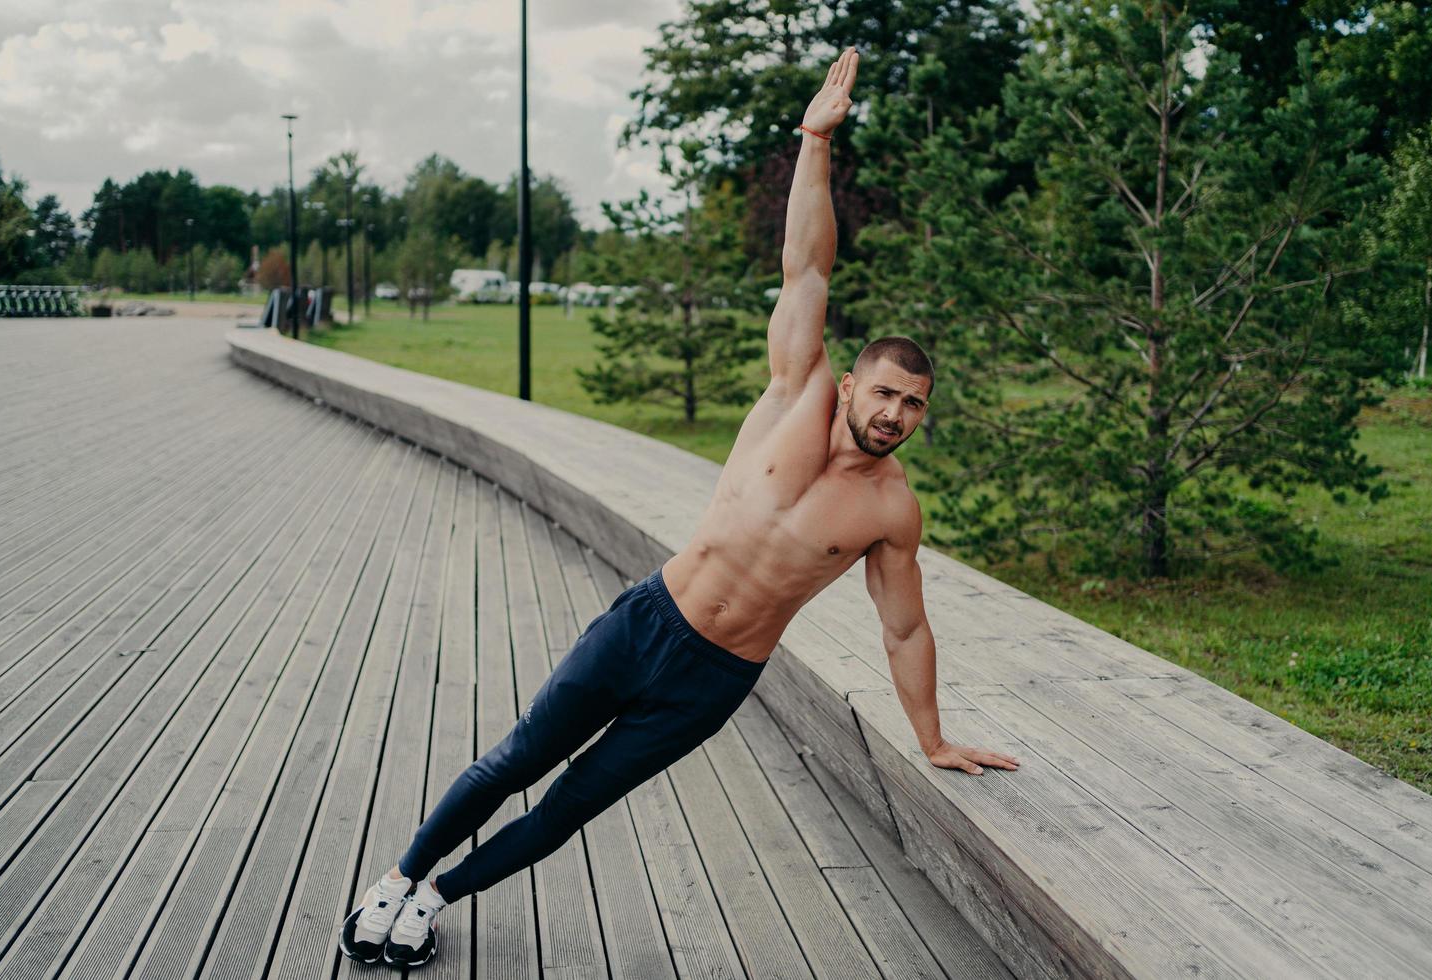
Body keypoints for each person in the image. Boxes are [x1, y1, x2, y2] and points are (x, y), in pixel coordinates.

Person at [339, 46, 1019, 969]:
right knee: (513, 764)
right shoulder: (796, 392)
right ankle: (396, 876)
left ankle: (432, 900)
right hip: (647, 621)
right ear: (853, 381)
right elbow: (806, 270)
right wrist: (814, 141)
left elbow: (904, 630)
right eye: (886, 393)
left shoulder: (892, 512)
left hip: (714, 681)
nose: (896, 414)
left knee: (569, 809)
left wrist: (932, 738)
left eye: (914, 404)